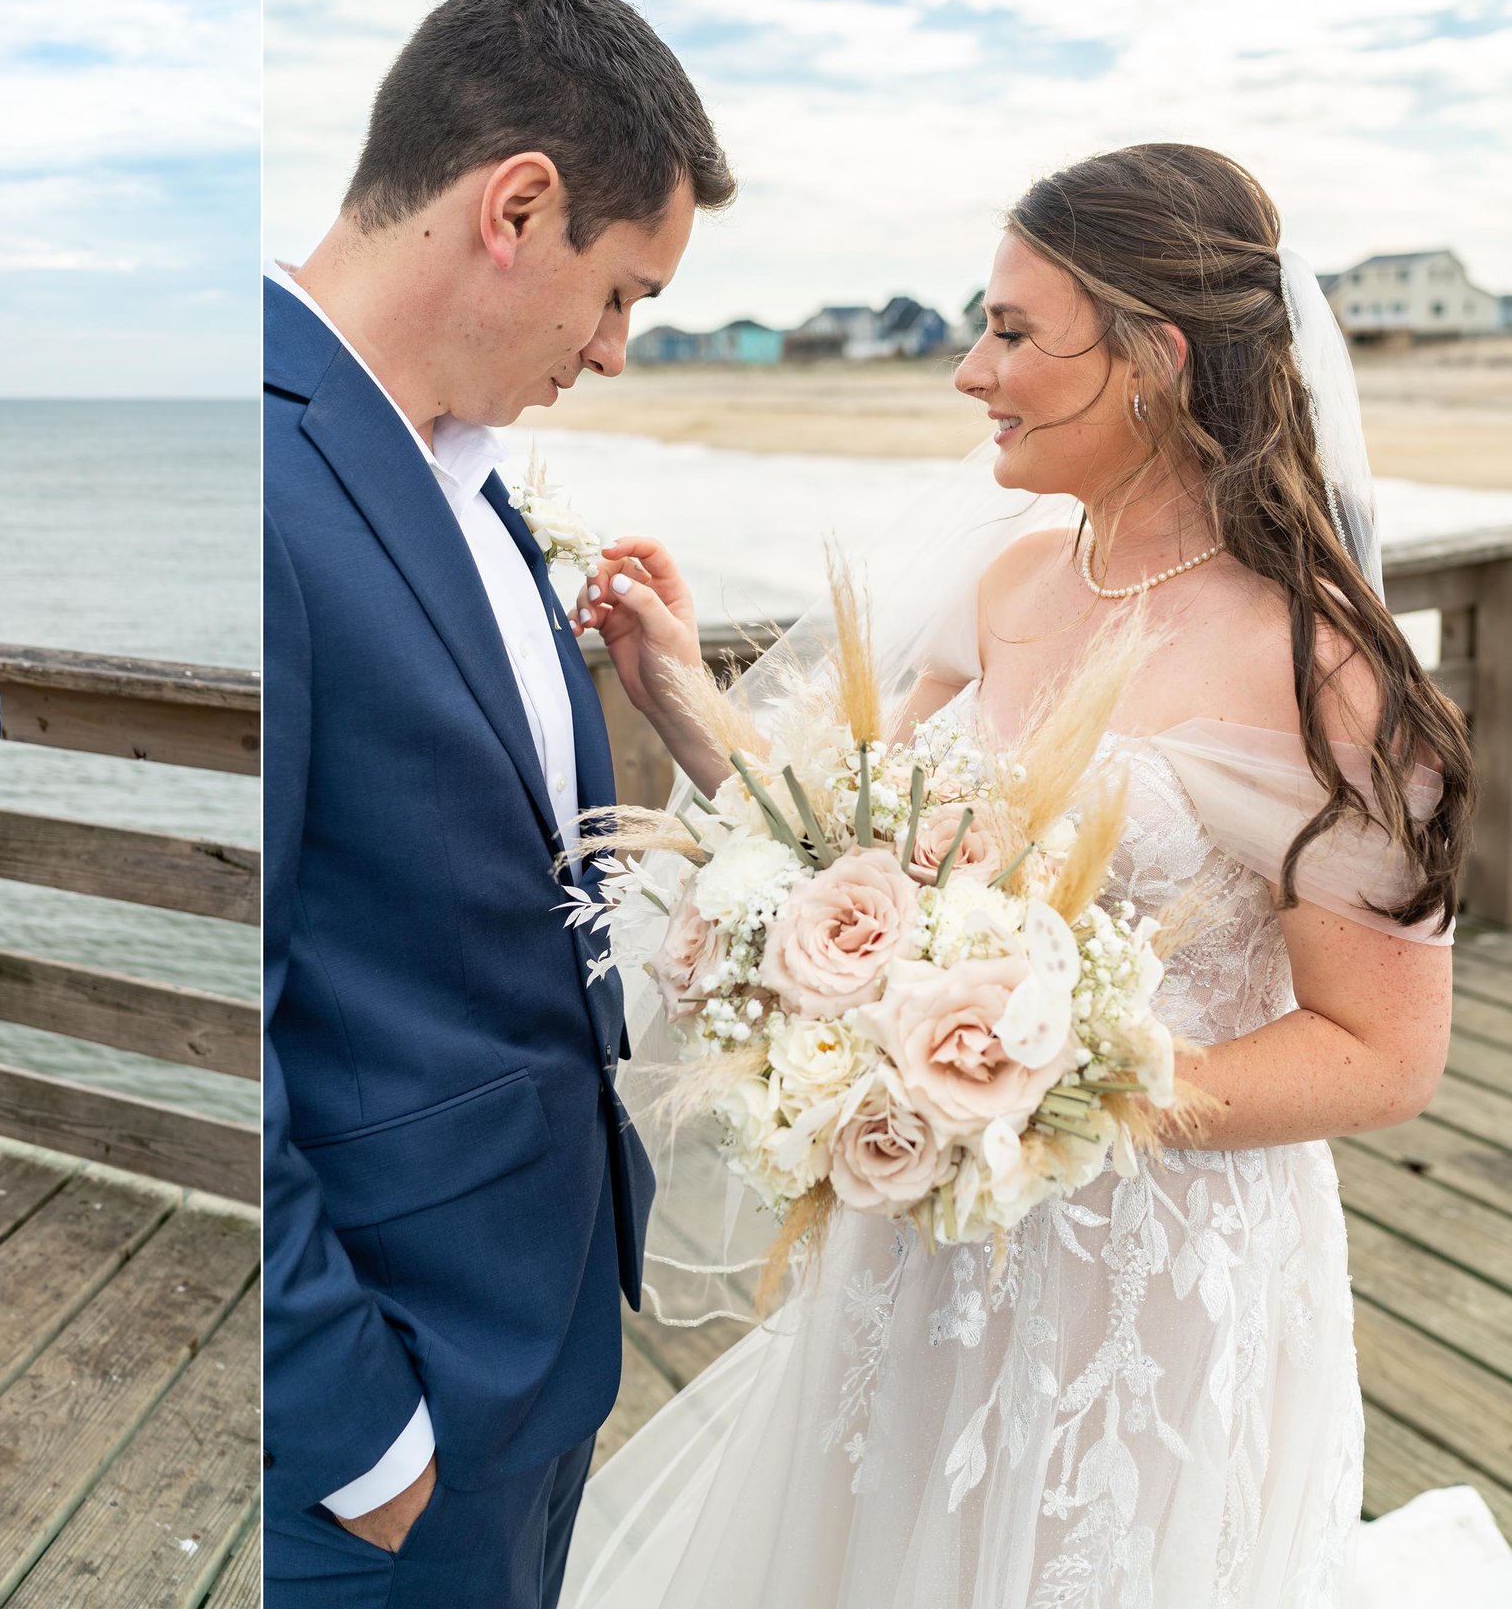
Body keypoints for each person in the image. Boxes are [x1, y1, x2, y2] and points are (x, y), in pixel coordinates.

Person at [566, 143, 1512, 1606]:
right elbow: (830, 843)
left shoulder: (1329, 679)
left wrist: (1049, 1092)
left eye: (1011, 332)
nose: (969, 373)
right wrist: (684, 693)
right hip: (934, 1245)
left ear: (1153, 357)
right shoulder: (1010, 585)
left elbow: (1386, 1056)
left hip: (1151, 1280)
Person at [261, 0, 734, 1609]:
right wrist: (355, 1428)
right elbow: (242, 1026)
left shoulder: (447, 456)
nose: (612, 354)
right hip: (387, 1408)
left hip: (531, 1326)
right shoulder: (268, 481)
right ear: (517, 207)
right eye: (624, 294)